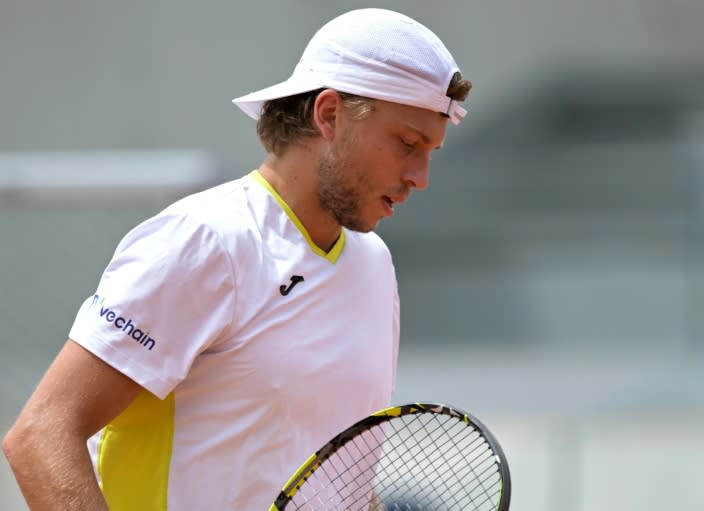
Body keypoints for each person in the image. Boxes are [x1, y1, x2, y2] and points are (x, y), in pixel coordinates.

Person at [2, 7, 472, 511]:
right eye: (406, 143)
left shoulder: (374, 264)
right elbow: (41, 436)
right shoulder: (203, 242)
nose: (420, 176)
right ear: (329, 114)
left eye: (431, 152)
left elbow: (341, 484)